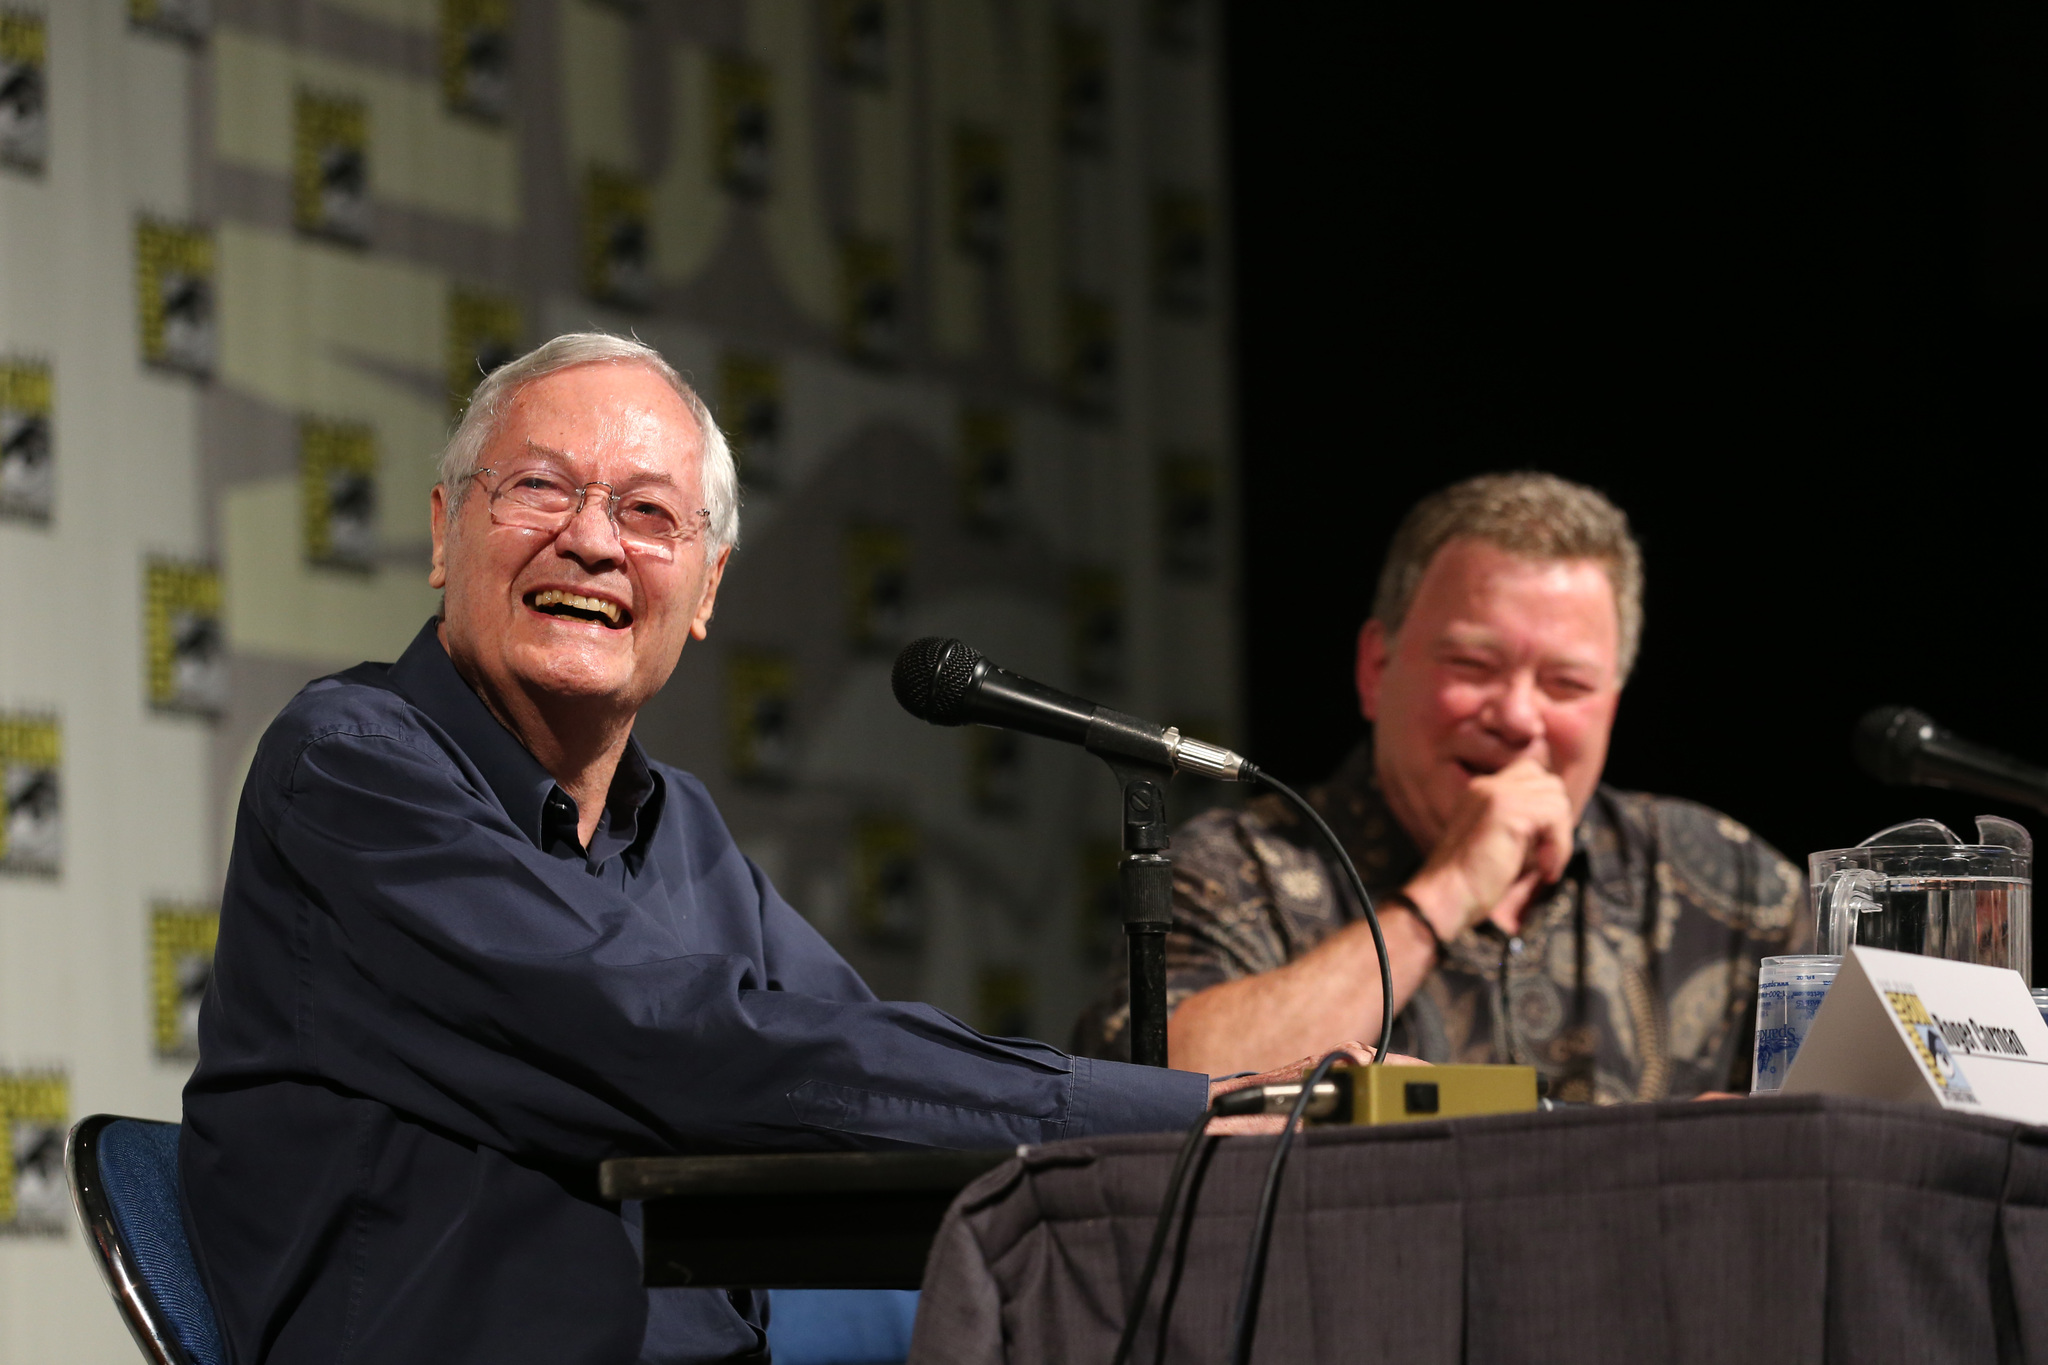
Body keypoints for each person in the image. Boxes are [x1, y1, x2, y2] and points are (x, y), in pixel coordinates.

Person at [180, 334, 1313, 1365]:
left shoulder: (679, 827)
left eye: (646, 514)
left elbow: (857, 1073)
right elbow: (667, 1039)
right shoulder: (350, 765)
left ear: (706, 587)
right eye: (537, 488)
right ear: (442, 532)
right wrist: (1160, 1113)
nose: (589, 539)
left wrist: (1207, 1119)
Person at [1072, 472, 1805, 1101]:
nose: (1519, 716)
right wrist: (1447, 889)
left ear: (1612, 701)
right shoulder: (1239, 867)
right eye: (1473, 665)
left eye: (1567, 682)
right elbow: (1161, 1094)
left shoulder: (1728, 882)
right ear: (1375, 669)